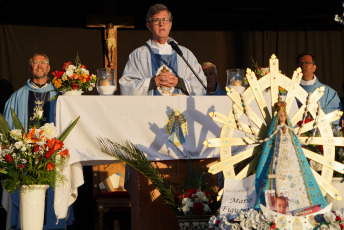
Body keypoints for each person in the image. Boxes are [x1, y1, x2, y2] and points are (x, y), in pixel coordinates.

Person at [2, 53, 74, 229]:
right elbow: (6, 134)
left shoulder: (62, 97)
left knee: (55, 196)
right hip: (26, 162)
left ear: (49, 68)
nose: (40, 65)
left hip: (53, 160)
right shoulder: (17, 98)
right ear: (30, 68)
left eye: (43, 63)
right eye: (36, 63)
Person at [254, 96, 327, 213]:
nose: (282, 118)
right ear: (278, 118)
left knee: (298, 181)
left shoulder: (288, 129)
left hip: (291, 159)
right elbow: (271, 142)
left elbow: (294, 141)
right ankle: (276, 209)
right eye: (280, 116)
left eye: (284, 116)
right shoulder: (276, 130)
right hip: (277, 160)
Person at [119, 3, 207, 96]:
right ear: (149, 26)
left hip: (180, 109)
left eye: (165, 20)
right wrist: (152, 82)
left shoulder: (185, 54)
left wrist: (179, 82)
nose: (161, 24)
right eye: (157, 20)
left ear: (170, 25)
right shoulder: (138, 55)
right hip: (149, 109)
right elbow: (126, 87)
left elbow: (201, 85)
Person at [296, 51, 343, 124]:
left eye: (307, 62)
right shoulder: (289, 91)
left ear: (314, 67)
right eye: (300, 63)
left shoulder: (329, 93)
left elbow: (337, 117)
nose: (303, 65)